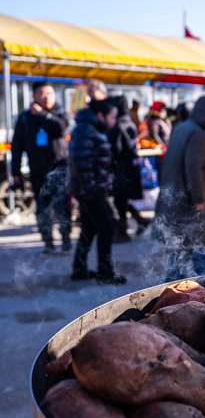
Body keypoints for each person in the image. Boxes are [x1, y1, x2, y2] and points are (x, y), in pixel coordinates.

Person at [153, 93, 205, 282]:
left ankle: (169, 295)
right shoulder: (197, 134)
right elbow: (193, 169)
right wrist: (199, 201)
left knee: (180, 258)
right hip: (185, 206)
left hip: (172, 202)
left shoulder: (183, 127)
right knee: (198, 256)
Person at [68, 99, 126, 284]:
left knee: (89, 227)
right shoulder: (86, 128)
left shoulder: (90, 127)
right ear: (101, 115)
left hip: (90, 188)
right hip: (90, 189)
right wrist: (91, 187)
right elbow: (81, 160)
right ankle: (105, 272)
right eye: (112, 117)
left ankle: (79, 268)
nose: (114, 121)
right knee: (107, 227)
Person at [10, 81, 72, 253]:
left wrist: (43, 115)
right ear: (34, 96)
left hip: (59, 168)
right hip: (38, 171)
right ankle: (48, 242)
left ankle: (66, 238)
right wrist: (16, 172)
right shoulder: (24, 118)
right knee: (43, 208)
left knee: (62, 205)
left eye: (50, 93)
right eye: (42, 93)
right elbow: (17, 146)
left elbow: (61, 128)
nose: (47, 97)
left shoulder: (59, 113)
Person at [107, 95, 147, 242]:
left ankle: (123, 232)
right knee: (122, 199)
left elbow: (115, 150)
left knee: (119, 200)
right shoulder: (130, 123)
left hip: (121, 169)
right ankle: (140, 220)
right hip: (131, 167)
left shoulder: (117, 125)